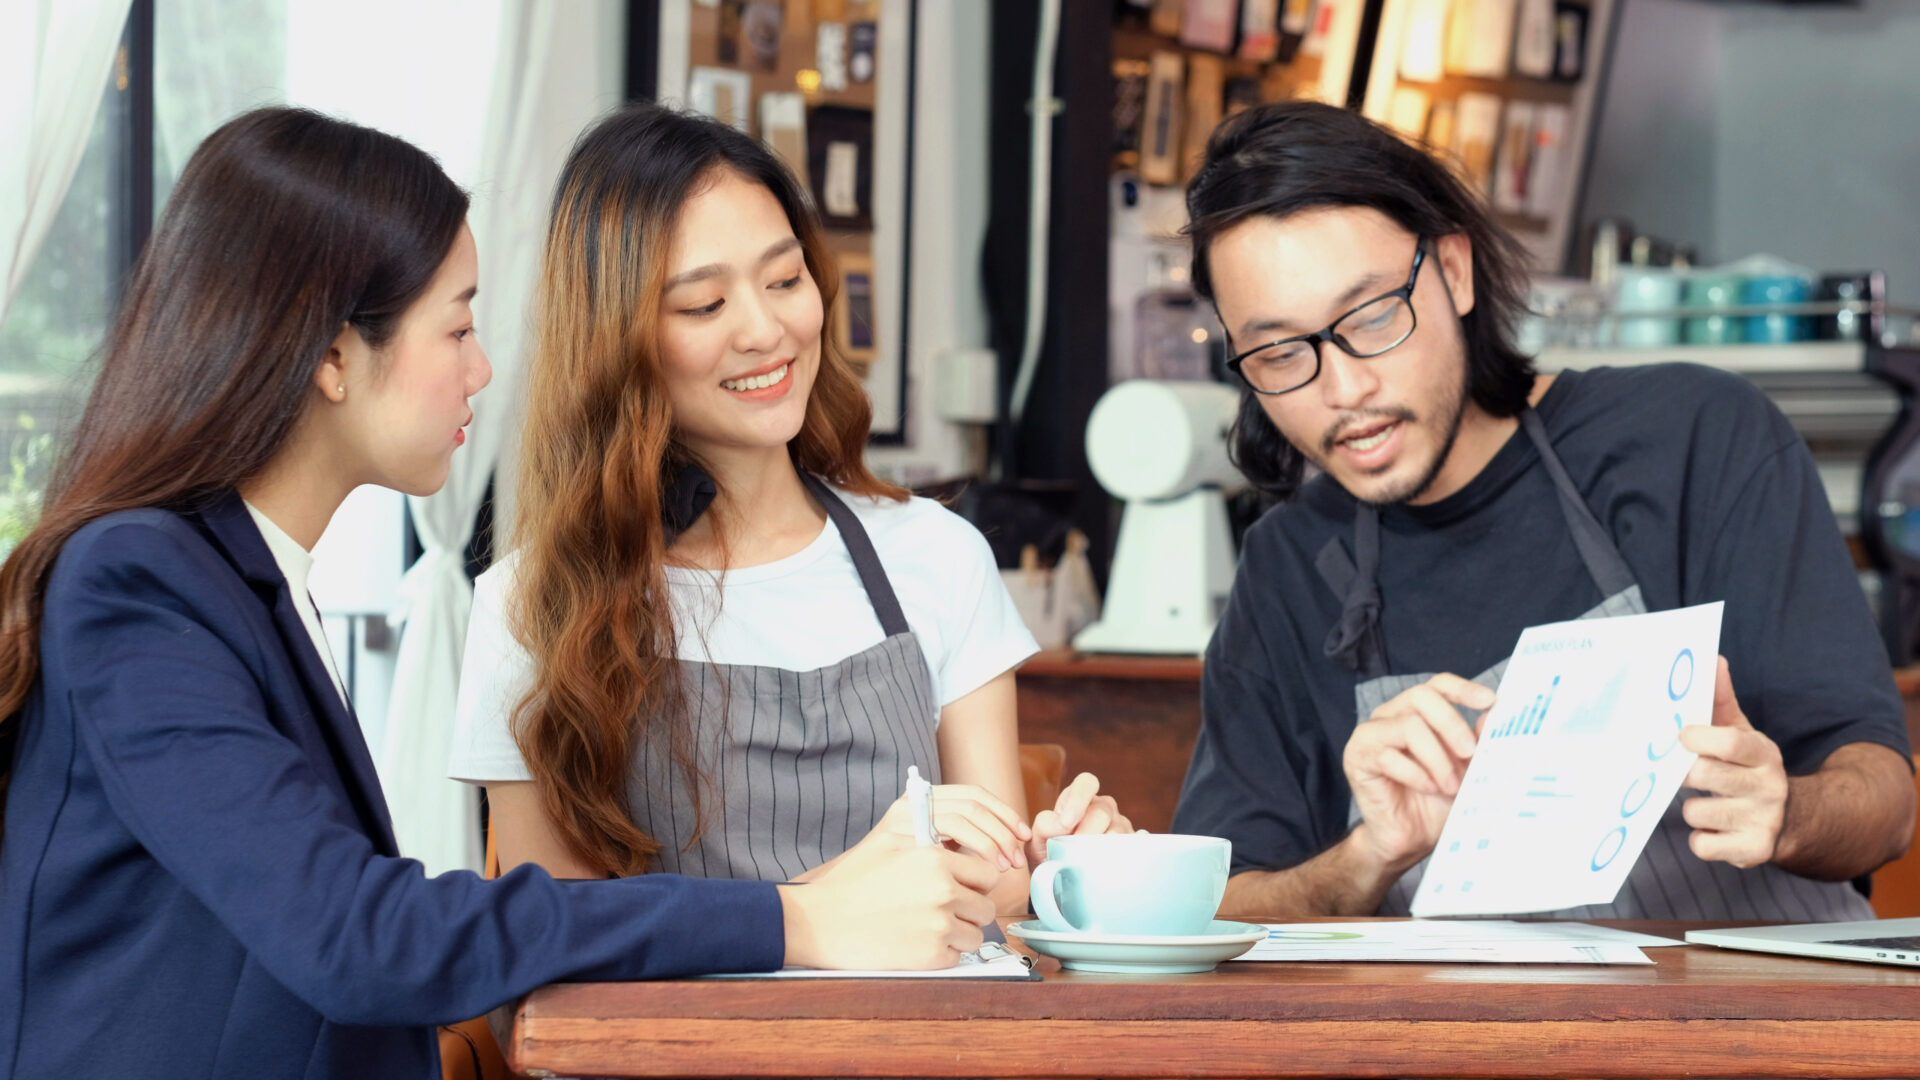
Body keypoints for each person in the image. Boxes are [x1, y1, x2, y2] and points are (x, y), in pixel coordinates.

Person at [0, 107, 1001, 1080]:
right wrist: (800, 916)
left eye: (783, 279)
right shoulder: (141, 584)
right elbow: (359, 934)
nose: (483, 370)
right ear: (335, 356)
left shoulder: (245, 579)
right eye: (457, 327)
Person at [1169, 101, 1915, 921]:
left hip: (1768, 1040)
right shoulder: (1287, 571)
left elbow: (1885, 802)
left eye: (1374, 317)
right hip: (1487, 1048)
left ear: (1452, 271)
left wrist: (1787, 814)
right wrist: (1370, 857)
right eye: (1280, 353)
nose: (1345, 391)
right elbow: (1224, 912)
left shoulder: (1694, 439)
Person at [448, 104, 1130, 911]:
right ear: (615, 343)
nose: (767, 330)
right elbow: (549, 944)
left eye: (784, 279)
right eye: (704, 306)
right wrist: (830, 901)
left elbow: (1003, 890)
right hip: (676, 1039)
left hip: (928, 1029)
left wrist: (1059, 863)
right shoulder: (532, 606)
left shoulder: (938, 555)